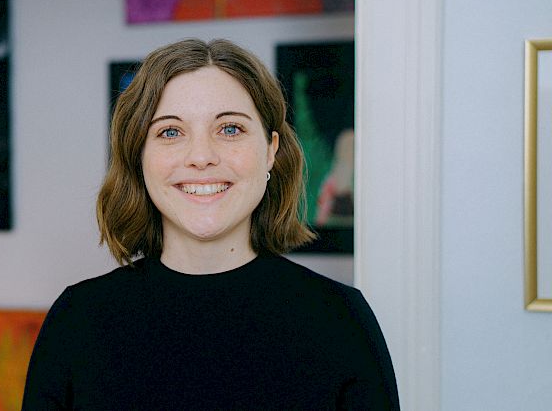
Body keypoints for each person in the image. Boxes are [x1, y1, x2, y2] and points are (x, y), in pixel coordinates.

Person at [22, 38, 399, 410]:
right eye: (170, 132)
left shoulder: (341, 318)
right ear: (139, 155)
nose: (201, 157)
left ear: (270, 150)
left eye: (230, 129)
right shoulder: (77, 320)